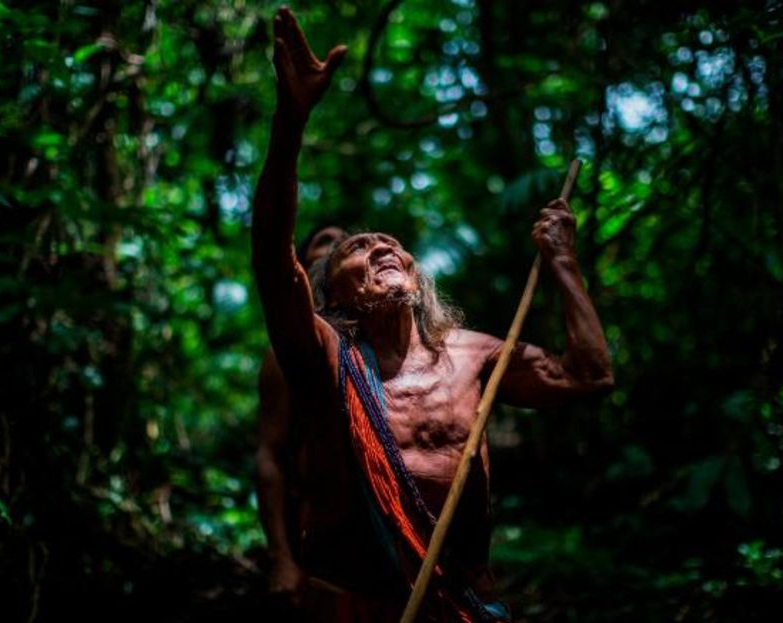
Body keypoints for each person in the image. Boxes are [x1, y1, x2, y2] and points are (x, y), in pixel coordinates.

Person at [252, 8, 613, 621]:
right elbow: (271, 258)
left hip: (460, 602)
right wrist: (291, 121)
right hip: (352, 602)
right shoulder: (322, 356)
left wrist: (562, 263)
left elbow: (588, 373)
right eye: (358, 249)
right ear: (333, 296)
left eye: (391, 243)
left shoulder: (475, 355)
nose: (382, 246)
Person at [255, 223, 345, 609]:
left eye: (344, 243)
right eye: (324, 242)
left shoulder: (389, 347)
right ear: (303, 268)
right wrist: (282, 558)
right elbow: (269, 455)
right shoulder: (288, 352)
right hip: (317, 536)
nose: (336, 247)